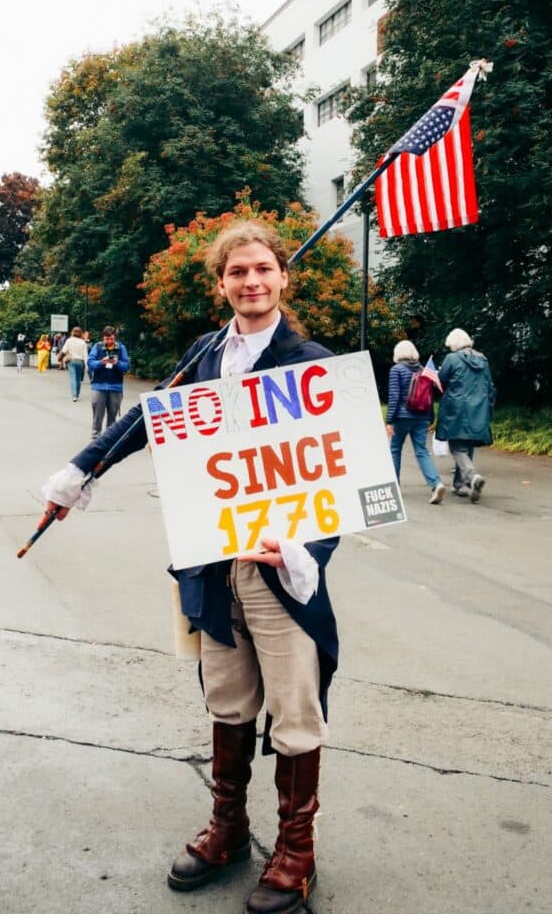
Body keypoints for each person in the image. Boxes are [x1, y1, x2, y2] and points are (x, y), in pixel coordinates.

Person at [41, 220, 340, 914]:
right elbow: (150, 416)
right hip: (210, 562)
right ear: (222, 284)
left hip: (279, 566)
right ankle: (229, 830)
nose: (252, 282)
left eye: (262, 269)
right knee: (228, 700)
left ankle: (297, 851)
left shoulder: (310, 361)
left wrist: (306, 555)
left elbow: (338, 476)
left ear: (282, 277)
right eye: (238, 273)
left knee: (296, 710)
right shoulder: (206, 352)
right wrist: (79, 472)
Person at [436, 328, 495, 502]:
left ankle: (472, 476)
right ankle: (461, 486)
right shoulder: (483, 359)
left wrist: (439, 372)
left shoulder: (452, 359)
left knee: (456, 447)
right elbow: (489, 386)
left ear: (454, 343)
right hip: (479, 407)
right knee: (467, 444)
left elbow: (441, 381)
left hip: (457, 407)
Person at [385, 340, 445, 504]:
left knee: (395, 449)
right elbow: (429, 397)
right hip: (421, 416)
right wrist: (430, 417)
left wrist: (389, 420)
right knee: (421, 451)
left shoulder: (396, 370)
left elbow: (394, 397)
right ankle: (436, 483)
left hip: (402, 417)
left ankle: (394, 486)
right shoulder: (423, 370)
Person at [87, 326, 130, 438]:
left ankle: (109, 436)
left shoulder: (121, 348)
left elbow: (126, 366)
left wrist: (117, 364)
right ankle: (96, 435)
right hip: (99, 386)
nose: (109, 341)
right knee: (97, 413)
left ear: (114, 337)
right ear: (103, 338)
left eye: (111, 339)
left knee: (112, 413)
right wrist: (101, 362)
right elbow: (90, 363)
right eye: (107, 339)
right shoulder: (97, 346)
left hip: (115, 386)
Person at [57, 326, 88, 401]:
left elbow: (64, 351)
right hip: (80, 362)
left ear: (72, 332)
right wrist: (86, 365)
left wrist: (59, 358)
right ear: (81, 333)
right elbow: (85, 355)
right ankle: (77, 394)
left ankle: (74, 395)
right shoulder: (83, 342)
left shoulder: (69, 340)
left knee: (73, 378)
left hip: (71, 361)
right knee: (78, 379)